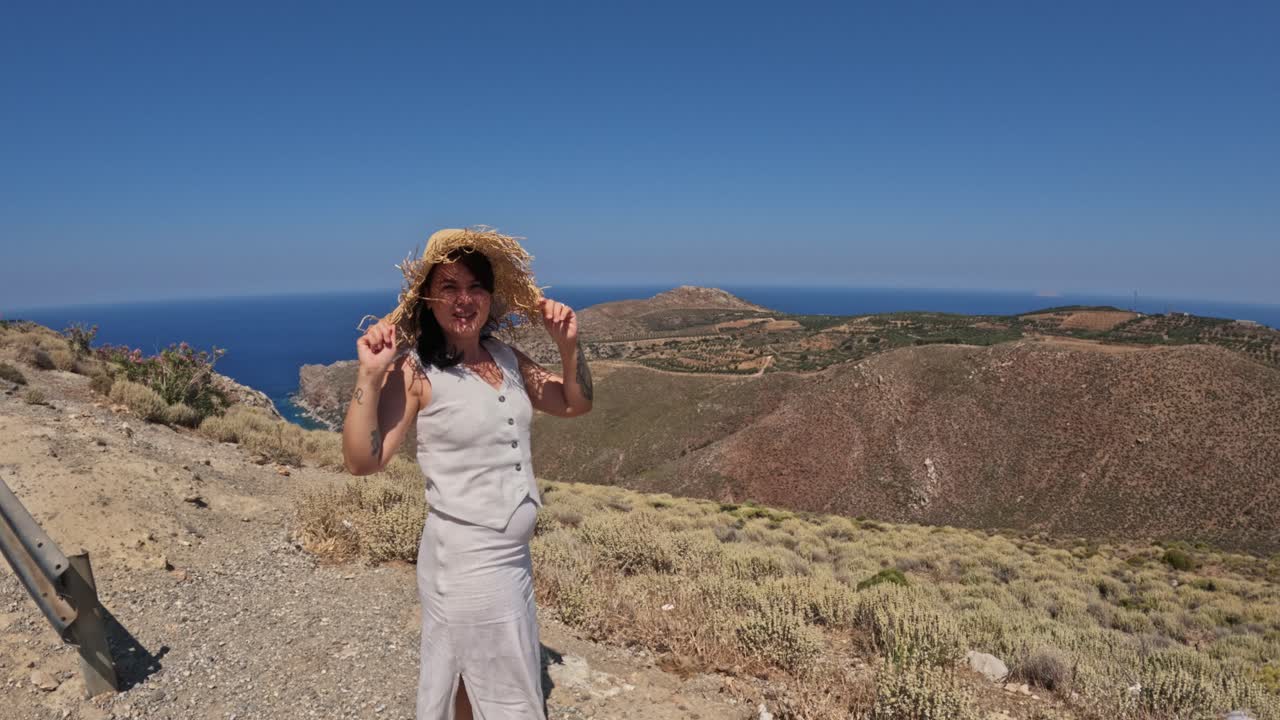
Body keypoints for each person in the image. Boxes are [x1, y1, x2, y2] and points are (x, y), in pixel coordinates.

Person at [341, 227, 594, 720]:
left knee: (472, 675)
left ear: (490, 297)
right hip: (464, 559)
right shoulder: (416, 372)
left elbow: (572, 403)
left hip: (511, 558)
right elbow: (361, 461)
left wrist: (568, 346)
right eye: (449, 287)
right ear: (429, 301)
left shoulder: (506, 359)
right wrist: (369, 378)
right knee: (499, 687)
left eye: (475, 286)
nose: (464, 299)